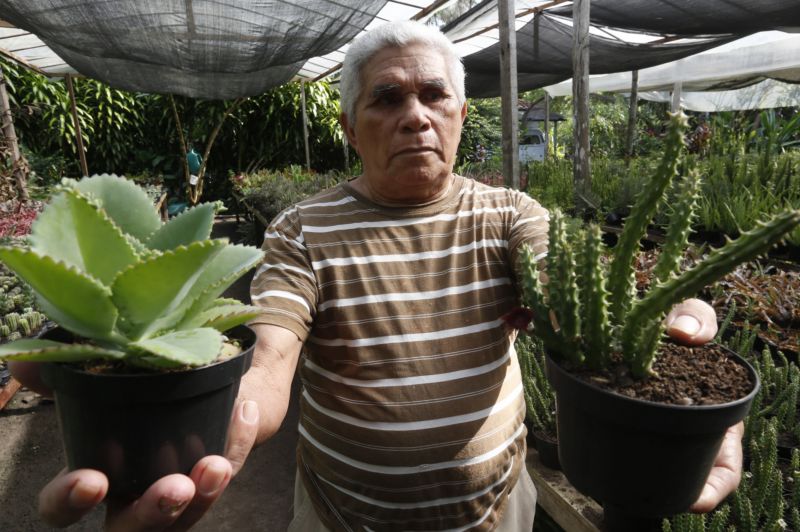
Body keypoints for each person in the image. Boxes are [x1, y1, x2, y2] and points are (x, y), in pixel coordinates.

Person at [19, 20, 742, 532]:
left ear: (462, 114)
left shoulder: (509, 214)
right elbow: (270, 357)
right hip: (340, 515)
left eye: (434, 96)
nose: (415, 117)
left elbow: (568, 294)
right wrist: (205, 432)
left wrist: (672, 360)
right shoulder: (303, 228)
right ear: (350, 125)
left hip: (496, 512)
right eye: (387, 99)